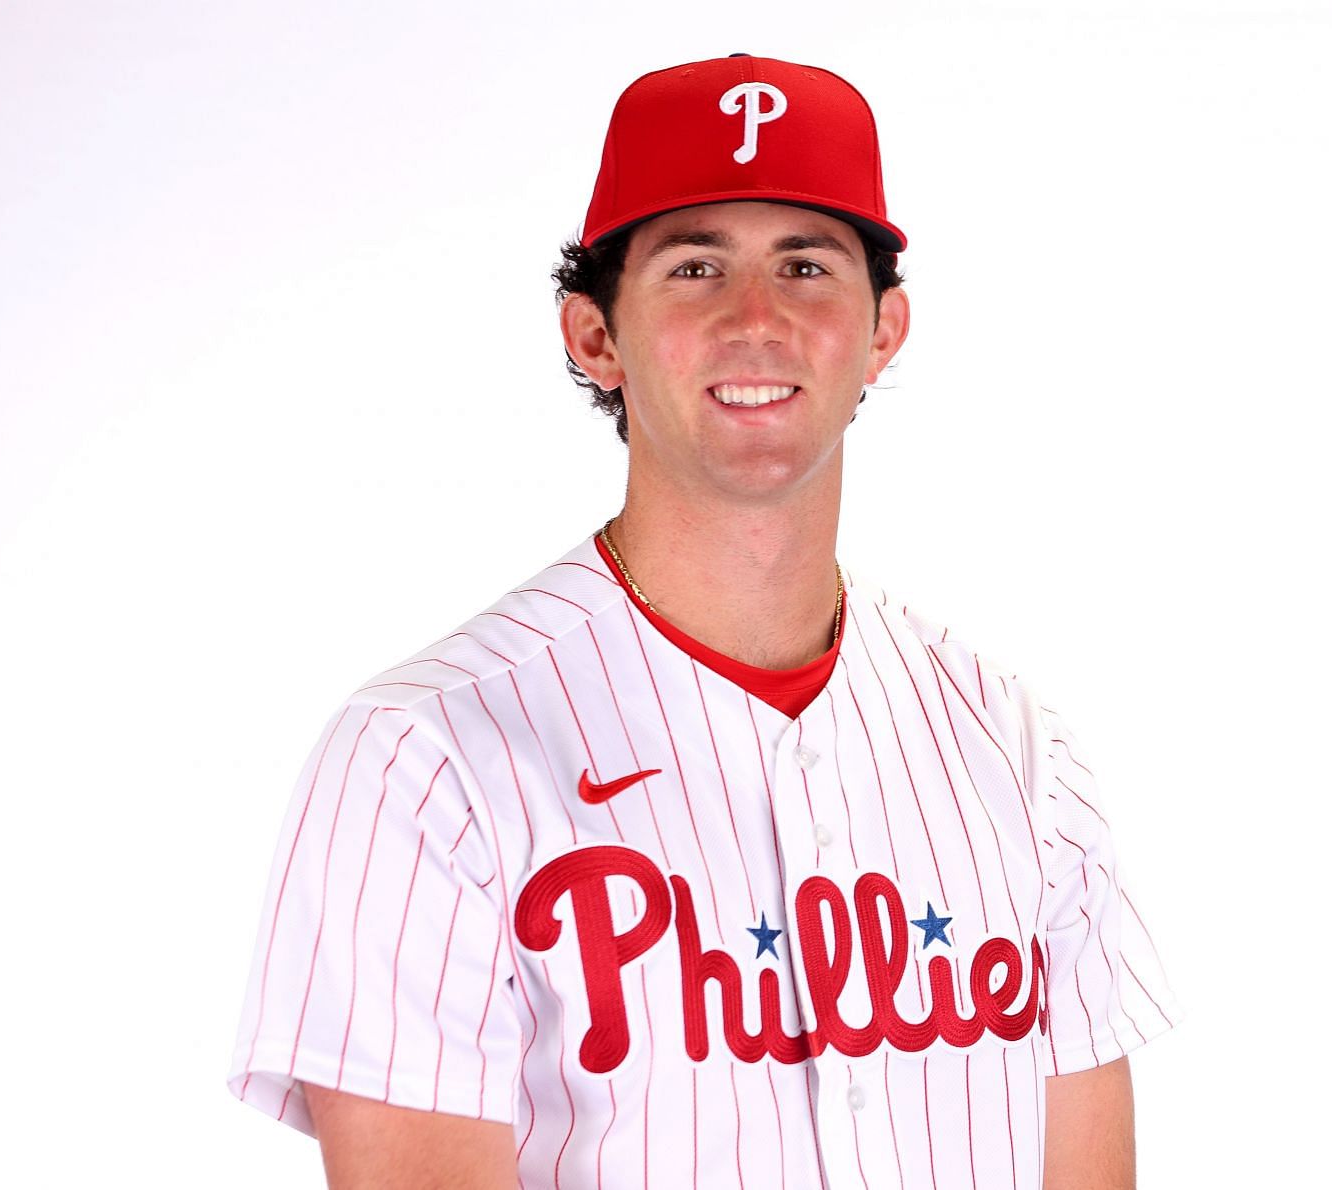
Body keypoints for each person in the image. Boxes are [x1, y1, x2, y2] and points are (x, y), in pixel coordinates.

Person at [227, 53, 1178, 1190]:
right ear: (595, 337)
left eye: (807, 264)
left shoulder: (1018, 753)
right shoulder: (423, 759)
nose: (757, 318)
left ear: (883, 330)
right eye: (694, 266)